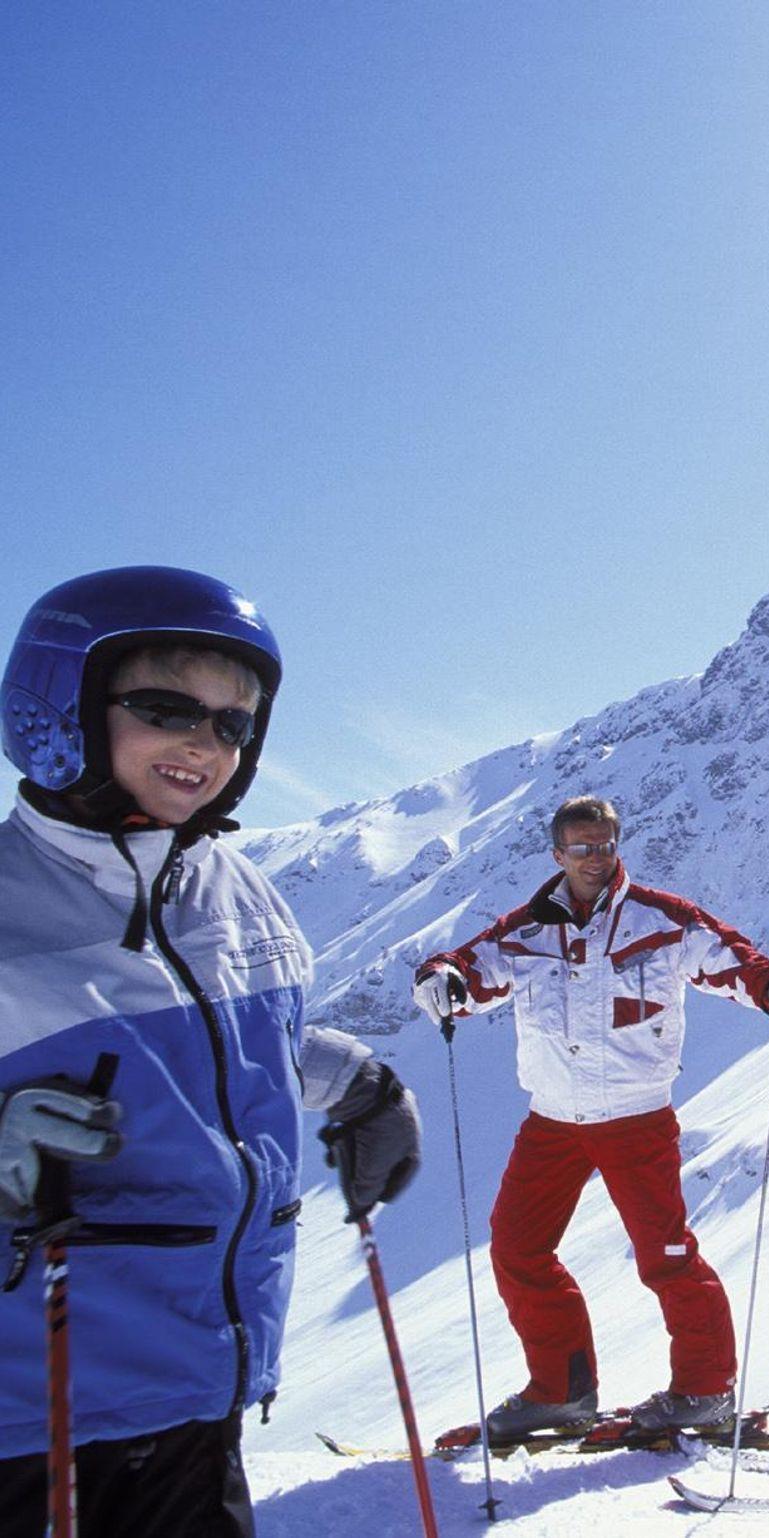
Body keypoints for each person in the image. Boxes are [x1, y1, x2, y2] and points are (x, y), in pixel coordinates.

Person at [0, 566, 422, 1537]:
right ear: (60, 702)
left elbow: (240, 1043)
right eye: (167, 707)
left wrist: (357, 1085)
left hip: (201, 1388)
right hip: (35, 1411)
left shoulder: (237, 891)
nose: (205, 741)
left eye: (234, 722)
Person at [412, 795, 769, 1441]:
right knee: (516, 1247)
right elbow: (466, 968)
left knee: (666, 1255)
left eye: (606, 846)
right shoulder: (525, 931)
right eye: (582, 848)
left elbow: (728, 956)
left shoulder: (661, 918)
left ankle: (705, 1390)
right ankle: (560, 1393)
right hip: (553, 1120)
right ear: (557, 854)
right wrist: (442, 979)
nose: (596, 859)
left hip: (634, 1116)